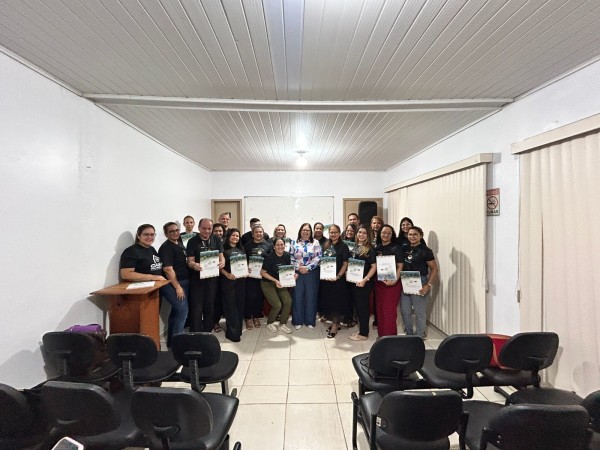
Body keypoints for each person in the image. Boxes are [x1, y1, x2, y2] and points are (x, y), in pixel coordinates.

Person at [399, 226, 438, 339]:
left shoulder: (426, 251)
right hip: (405, 281)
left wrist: (428, 285)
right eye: (410, 234)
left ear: (421, 236)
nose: (412, 237)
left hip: (420, 282)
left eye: (415, 234)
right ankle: (409, 335)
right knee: (405, 311)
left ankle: (419, 337)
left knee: (419, 312)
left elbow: (434, 269)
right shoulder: (404, 248)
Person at [186, 218, 225, 332]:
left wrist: (222, 262)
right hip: (197, 280)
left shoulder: (216, 239)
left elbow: (221, 257)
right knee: (197, 308)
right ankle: (196, 333)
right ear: (199, 228)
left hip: (212, 279)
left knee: (210, 306)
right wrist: (194, 265)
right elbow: (190, 261)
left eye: (209, 228)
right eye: (204, 228)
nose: (207, 231)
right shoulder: (192, 241)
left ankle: (208, 331)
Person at [158, 222, 189, 347]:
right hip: (174, 284)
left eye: (177, 230)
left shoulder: (179, 243)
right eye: (171, 231)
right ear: (166, 234)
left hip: (183, 281)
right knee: (182, 311)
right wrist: (177, 287)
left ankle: (172, 342)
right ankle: (178, 344)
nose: (175, 233)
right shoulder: (166, 247)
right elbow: (167, 269)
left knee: (176, 312)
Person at [318, 224, 350, 338]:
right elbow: (322, 259)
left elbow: (345, 263)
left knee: (336, 303)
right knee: (329, 302)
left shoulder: (343, 246)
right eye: (331, 232)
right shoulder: (326, 245)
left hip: (337, 280)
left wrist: (338, 276)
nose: (333, 234)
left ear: (339, 233)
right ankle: (333, 322)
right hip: (326, 279)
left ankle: (335, 326)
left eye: (335, 232)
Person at [260, 237, 296, 334]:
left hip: (280, 282)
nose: (280, 247)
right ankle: (270, 323)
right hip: (267, 283)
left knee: (288, 301)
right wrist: (275, 280)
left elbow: (287, 270)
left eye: (282, 244)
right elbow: (262, 273)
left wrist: (293, 276)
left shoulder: (287, 255)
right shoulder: (269, 258)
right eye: (278, 245)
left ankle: (282, 324)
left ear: (285, 245)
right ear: (274, 246)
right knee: (277, 305)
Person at [289, 223, 322, 329]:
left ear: (311, 232)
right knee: (297, 296)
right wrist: (298, 267)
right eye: (303, 230)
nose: (305, 232)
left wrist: (307, 268)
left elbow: (318, 257)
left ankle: (310, 321)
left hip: (311, 273)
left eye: (308, 230)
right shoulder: (294, 242)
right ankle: (297, 321)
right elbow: (290, 257)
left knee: (311, 296)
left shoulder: (315, 242)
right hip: (297, 273)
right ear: (300, 231)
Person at [348, 225, 377, 341]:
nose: (361, 235)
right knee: (358, 307)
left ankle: (364, 334)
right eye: (359, 232)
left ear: (368, 235)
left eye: (364, 233)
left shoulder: (369, 249)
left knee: (362, 307)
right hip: (354, 281)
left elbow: (374, 267)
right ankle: (362, 330)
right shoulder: (355, 247)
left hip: (364, 283)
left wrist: (365, 279)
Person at [374, 224, 403, 337]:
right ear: (379, 234)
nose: (385, 235)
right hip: (379, 283)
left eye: (388, 233)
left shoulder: (396, 248)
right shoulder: (377, 248)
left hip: (392, 284)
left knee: (389, 311)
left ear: (392, 235)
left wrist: (394, 280)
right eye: (383, 232)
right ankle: (382, 336)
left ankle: (390, 337)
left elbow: (400, 266)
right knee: (380, 310)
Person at [219, 228, 246, 342]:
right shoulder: (223, 250)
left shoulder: (241, 249)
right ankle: (232, 334)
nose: (235, 237)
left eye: (237, 236)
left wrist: (246, 270)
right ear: (228, 236)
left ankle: (238, 330)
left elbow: (244, 264)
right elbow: (219, 267)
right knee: (230, 307)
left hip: (241, 282)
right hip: (228, 281)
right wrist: (227, 274)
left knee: (239, 306)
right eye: (233, 235)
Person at [244, 224, 273, 329]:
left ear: (263, 233)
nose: (258, 234)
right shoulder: (247, 245)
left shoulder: (268, 245)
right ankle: (248, 317)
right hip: (250, 276)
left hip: (262, 275)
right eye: (256, 232)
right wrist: (245, 268)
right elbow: (243, 259)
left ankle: (256, 316)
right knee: (250, 296)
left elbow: (270, 260)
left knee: (259, 297)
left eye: (260, 232)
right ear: (252, 234)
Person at [211, 223, 225, 332]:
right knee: (214, 300)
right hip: (213, 276)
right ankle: (214, 322)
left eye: (220, 231)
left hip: (225, 276)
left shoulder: (227, 242)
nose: (218, 233)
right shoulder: (209, 242)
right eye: (216, 231)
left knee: (221, 299)